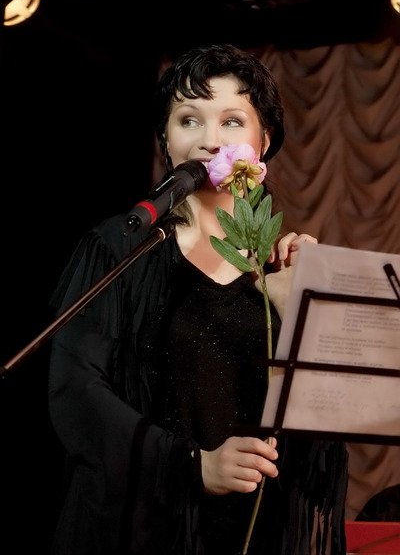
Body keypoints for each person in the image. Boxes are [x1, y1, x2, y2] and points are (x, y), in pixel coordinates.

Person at [48, 43, 348, 555]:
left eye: (232, 121)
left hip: (253, 529)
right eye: (188, 120)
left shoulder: (281, 263)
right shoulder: (120, 247)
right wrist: (191, 465)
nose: (210, 140)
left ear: (263, 142)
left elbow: (331, 421)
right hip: (143, 525)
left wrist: (303, 307)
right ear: (166, 140)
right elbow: (76, 389)